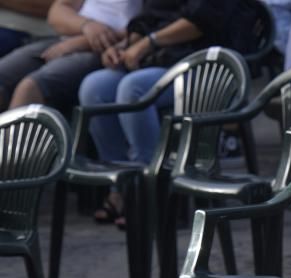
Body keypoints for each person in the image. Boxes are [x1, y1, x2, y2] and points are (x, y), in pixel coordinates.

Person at [78, 0, 230, 225]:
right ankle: (121, 185)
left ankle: (150, 187)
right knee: (95, 87)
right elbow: (149, 18)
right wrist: (124, 46)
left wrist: (148, 43)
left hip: (207, 63)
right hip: (159, 60)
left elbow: (202, 20)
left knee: (134, 89)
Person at [0, 0, 142, 111]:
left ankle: (13, 148)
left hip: (107, 50)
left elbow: (144, 25)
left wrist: (82, 42)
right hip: (68, 37)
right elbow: (57, 12)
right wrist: (86, 26)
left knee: (30, 87)